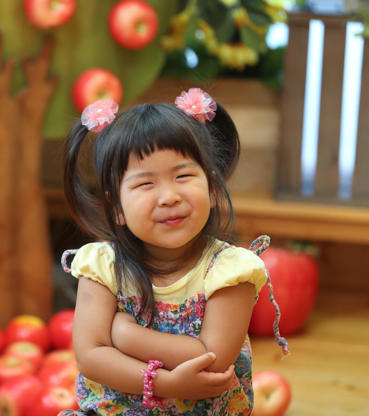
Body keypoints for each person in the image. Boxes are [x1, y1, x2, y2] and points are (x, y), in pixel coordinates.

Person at [58, 89, 289, 415]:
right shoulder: (103, 266)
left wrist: (126, 335)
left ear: (211, 188)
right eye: (145, 184)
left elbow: (212, 357)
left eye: (182, 176)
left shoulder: (229, 269)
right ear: (117, 208)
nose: (168, 196)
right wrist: (165, 384)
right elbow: (91, 356)